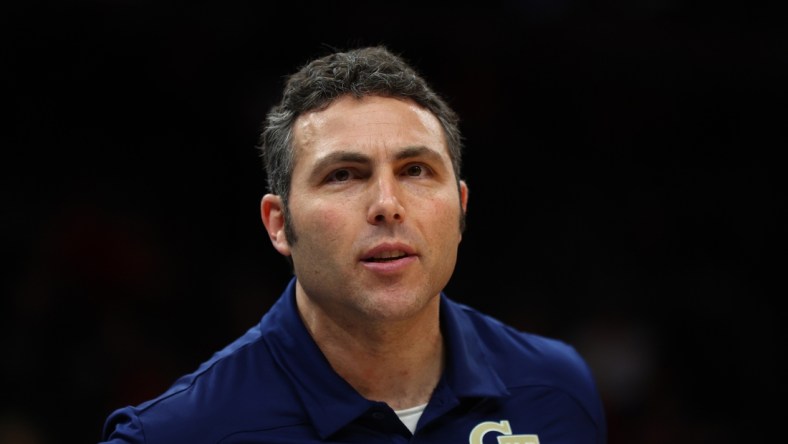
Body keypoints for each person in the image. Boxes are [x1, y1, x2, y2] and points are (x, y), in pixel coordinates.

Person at [99, 45, 607, 444]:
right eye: (343, 175)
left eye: (415, 170)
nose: (387, 203)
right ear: (279, 224)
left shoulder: (558, 388)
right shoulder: (174, 434)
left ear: (461, 207)